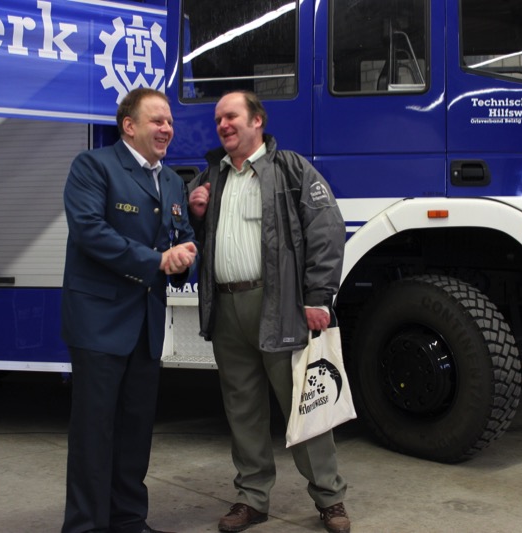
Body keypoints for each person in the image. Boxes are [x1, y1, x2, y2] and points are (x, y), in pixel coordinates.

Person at [187, 90, 351, 533]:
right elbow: (195, 240)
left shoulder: (290, 169)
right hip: (226, 307)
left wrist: (318, 297)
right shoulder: (212, 176)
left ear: (257, 120)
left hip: (278, 306)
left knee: (304, 403)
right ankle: (252, 498)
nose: (223, 125)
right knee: (242, 410)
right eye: (218, 119)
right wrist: (197, 214)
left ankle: (330, 498)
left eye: (232, 116)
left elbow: (327, 228)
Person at [60, 87, 197, 533]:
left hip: (145, 325)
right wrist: (156, 260)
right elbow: (89, 231)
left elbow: (178, 239)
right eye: (157, 120)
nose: (167, 128)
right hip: (99, 324)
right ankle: (85, 526)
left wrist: (183, 256)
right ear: (129, 126)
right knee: (94, 433)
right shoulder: (93, 166)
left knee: (136, 431)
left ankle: (128, 520)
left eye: (169, 121)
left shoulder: (172, 181)